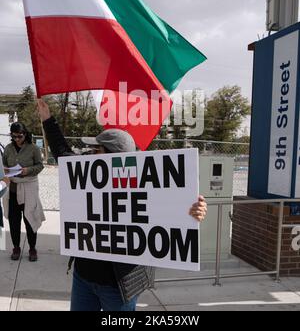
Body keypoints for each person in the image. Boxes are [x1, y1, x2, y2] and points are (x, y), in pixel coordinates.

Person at [37, 99, 207, 312]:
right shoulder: (86, 175)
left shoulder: (148, 188)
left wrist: (193, 212)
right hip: (84, 277)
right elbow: (62, 153)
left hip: (119, 285)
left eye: (95, 150)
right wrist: (47, 119)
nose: (89, 154)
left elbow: (174, 211)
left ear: (111, 156)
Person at [2, 122, 45, 262]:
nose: (17, 139)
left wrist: (28, 170)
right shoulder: (8, 148)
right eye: (14, 137)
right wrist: (6, 171)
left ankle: (32, 248)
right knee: (14, 222)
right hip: (13, 190)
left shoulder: (33, 148)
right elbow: (3, 166)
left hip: (29, 188)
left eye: (19, 136)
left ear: (25, 134)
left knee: (30, 219)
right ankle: (16, 247)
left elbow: (40, 165)